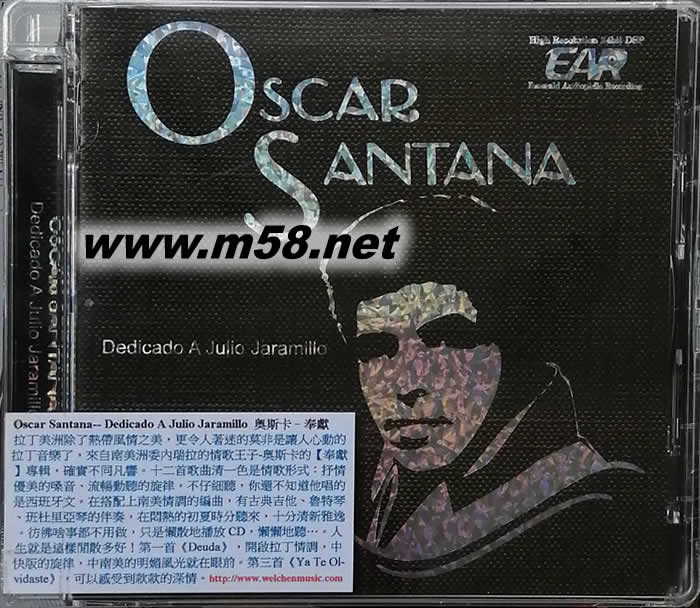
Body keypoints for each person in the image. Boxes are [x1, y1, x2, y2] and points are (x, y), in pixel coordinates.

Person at [320, 195, 642, 578]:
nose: (407, 383)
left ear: (507, 344)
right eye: (374, 349)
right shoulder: (364, 494)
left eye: (446, 339)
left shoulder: (596, 508)